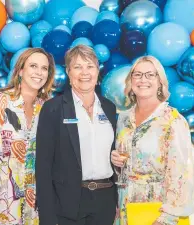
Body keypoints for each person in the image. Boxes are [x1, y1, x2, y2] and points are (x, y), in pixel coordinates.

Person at [0, 48, 55, 225]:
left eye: (44, 68)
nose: (39, 72)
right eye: (33, 66)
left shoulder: (46, 107)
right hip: (0, 196)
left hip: (33, 197)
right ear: (20, 70)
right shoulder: (2, 101)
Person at [111, 56, 194, 225]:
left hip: (157, 211)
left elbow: (181, 174)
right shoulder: (123, 118)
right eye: (137, 74)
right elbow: (128, 163)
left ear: (160, 82)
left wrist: (167, 218)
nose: (143, 79)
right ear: (131, 80)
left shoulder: (172, 121)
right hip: (124, 208)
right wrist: (116, 162)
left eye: (150, 75)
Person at [36, 45, 117, 225]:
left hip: (105, 201)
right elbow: (43, 166)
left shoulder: (109, 108)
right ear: (68, 72)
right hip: (68, 204)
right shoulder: (53, 109)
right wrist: (47, 217)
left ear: (97, 71)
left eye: (89, 66)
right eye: (77, 67)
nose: (84, 72)